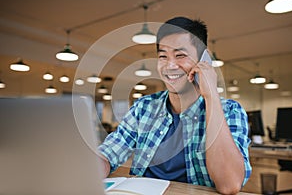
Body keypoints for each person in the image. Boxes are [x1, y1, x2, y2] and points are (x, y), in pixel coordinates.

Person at [98, 16, 252, 194]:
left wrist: (212, 97)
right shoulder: (143, 108)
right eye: (163, 56)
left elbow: (229, 184)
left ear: (204, 60)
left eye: (180, 55)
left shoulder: (230, 111)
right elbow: (109, 152)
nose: (170, 65)